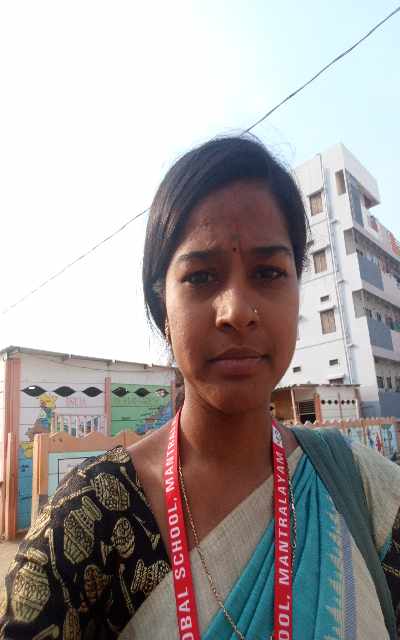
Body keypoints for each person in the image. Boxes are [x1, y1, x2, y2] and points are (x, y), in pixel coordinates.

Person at [1, 135, 400, 639]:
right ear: (162, 307)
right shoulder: (86, 524)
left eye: (268, 272)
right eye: (201, 276)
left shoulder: (365, 495)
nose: (236, 311)